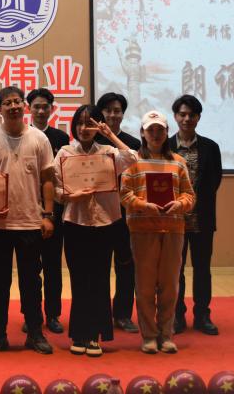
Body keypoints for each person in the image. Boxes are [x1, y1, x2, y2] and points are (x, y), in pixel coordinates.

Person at [52, 104, 138, 357]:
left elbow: (133, 159)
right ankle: (79, 334)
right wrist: (70, 196)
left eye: (90, 123)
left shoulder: (109, 152)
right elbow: (55, 188)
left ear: (98, 126)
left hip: (105, 223)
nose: (84, 128)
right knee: (79, 280)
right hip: (75, 223)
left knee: (100, 280)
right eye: (80, 123)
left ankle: (95, 336)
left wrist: (109, 134)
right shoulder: (65, 153)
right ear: (74, 126)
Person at [0, 86, 56, 355]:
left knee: (32, 282)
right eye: (7, 103)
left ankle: (34, 332)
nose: (13, 106)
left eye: (17, 102)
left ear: (24, 106)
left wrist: (48, 215)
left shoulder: (39, 138)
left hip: (30, 222)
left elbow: (48, 180)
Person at [120, 110, 195, 354]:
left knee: (170, 286)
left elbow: (189, 195)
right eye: (150, 130)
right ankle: (149, 336)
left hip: (173, 229)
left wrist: (179, 204)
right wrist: (144, 205)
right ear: (142, 133)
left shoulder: (178, 162)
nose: (155, 134)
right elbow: (124, 195)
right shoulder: (133, 162)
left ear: (166, 132)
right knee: (144, 287)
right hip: (142, 230)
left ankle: (166, 335)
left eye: (160, 130)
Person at [168, 94, 223, 336]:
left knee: (202, 269)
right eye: (182, 114)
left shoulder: (210, 147)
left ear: (198, 117)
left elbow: (214, 181)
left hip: (202, 219)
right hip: (173, 220)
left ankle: (202, 315)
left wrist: (193, 203)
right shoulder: (166, 146)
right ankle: (177, 315)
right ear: (175, 116)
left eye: (191, 115)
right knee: (175, 271)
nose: (187, 119)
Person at [93, 91, 142, 334]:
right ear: (100, 113)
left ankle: (122, 314)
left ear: (123, 114)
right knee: (99, 268)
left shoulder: (132, 143)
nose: (113, 115)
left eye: (117, 111)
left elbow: (139, 175)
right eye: (108, 110)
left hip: (125, 214)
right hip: (98, 213)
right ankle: (100, 314)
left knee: (126, 266)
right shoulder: (91, 141)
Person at [26, 87, 70, 334]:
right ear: (29, 109)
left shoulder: (61, 138)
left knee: (53, 266)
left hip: (55, 211)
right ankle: (31, 314)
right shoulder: (22, 135)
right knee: (30, 268)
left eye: (45, 107)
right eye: (37, 107)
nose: (41, 111)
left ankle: (53, 314)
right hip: (28, 210)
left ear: (52, 109)